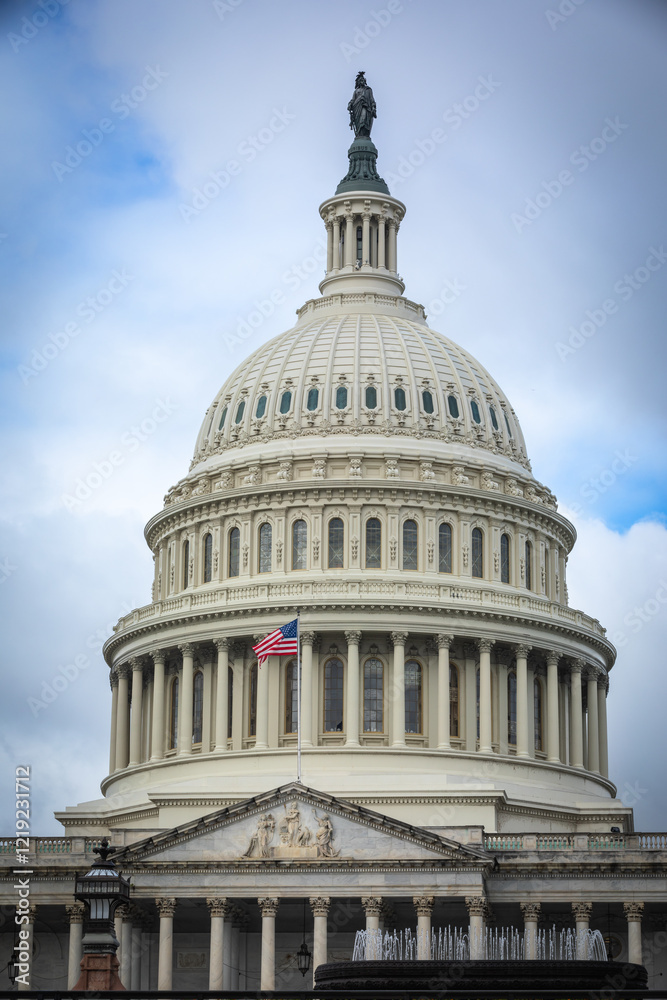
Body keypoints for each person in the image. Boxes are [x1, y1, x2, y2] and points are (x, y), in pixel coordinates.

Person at [347, 71, 377, 137]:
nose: (362, 81)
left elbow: (372, 99)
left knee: (363, 119)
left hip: (365, 107)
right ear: (358, 82)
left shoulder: (368, 90)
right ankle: (359, 135)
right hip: (356, 109)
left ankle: (364, 135)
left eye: (363, 80)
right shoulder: (356, 91)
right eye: (360, 80)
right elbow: (353, 100)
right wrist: (350, 104)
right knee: (358, 123)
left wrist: (373, 107)